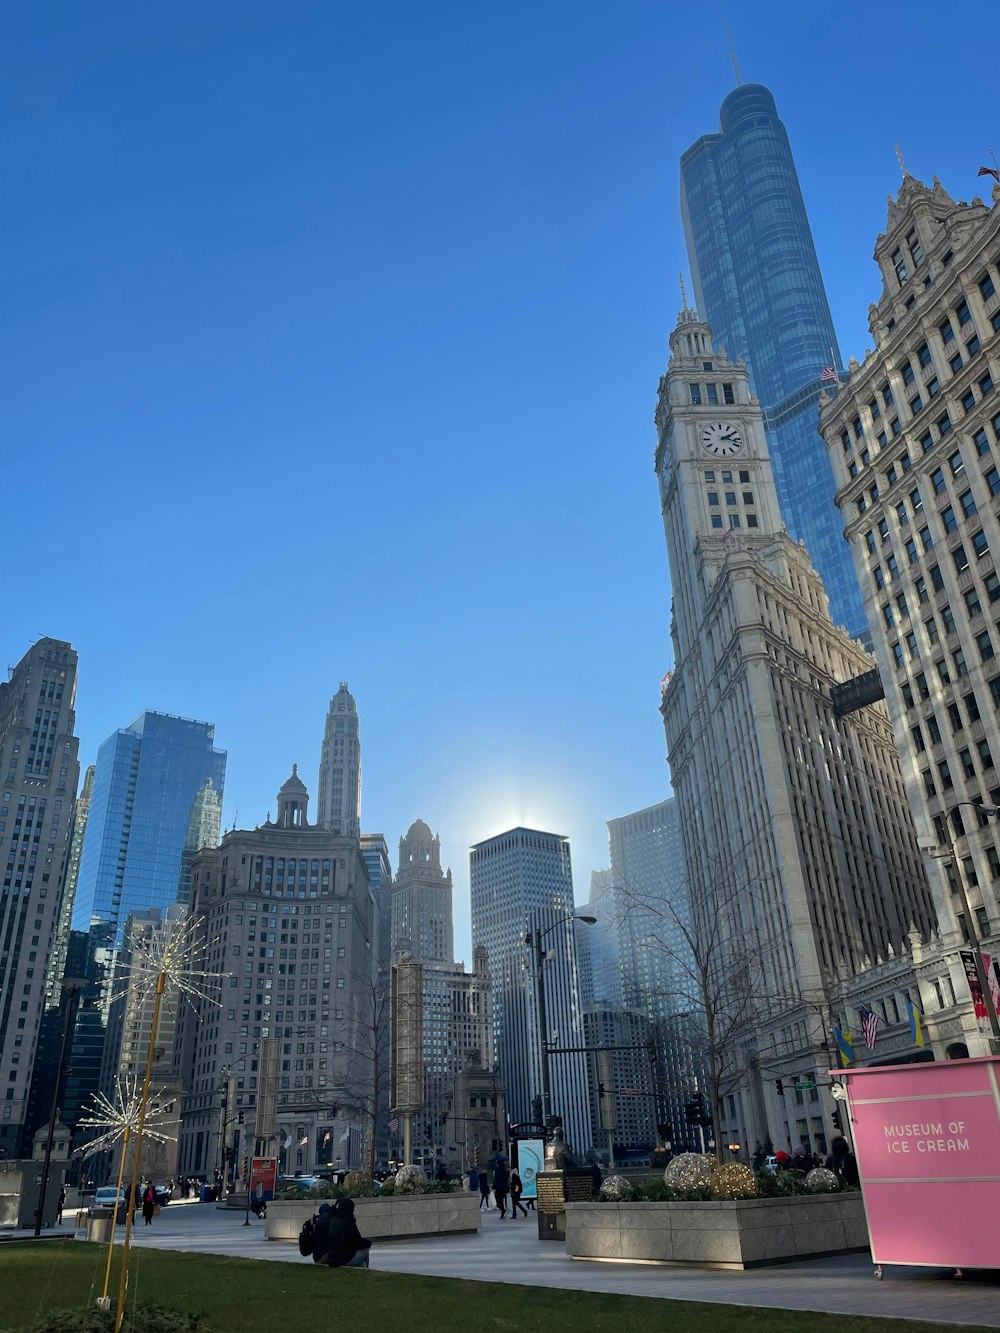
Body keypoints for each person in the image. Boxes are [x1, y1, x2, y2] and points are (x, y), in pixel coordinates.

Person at [320, 1198, 372, 1268]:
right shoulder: (348, 1222)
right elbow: (357, 1240)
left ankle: (362, 1269)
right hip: (343, 1258)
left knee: (362, 1263)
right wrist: (368, 1243)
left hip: (332, 1258)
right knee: (365, 1250)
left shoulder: (334, 1220)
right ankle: (366, 1270)